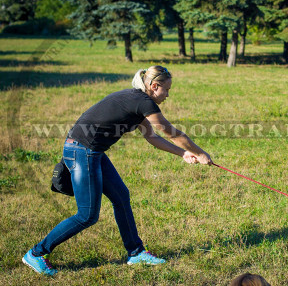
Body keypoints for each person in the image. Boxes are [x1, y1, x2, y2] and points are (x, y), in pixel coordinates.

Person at [22, 66, 212, 275]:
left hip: (92, 151)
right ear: (154, 86)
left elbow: (152, 137)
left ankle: (136, 252)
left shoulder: (138, 102)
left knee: (121, 197)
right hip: (82, 150)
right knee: (87, 215)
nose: (167, 95)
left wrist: (183, 154)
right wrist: (201, 153)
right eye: (166, 90)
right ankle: (37, 253)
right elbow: (170, 132)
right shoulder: (142, 101)